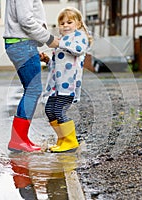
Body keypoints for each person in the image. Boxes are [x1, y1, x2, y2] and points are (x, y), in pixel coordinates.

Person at [3, 0, 60, 152]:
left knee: (31, 90)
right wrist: (49, 39)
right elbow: (25, 20)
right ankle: (18, 139)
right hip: (23, 44)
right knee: (33, 90)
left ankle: (20, 138)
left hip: (23, 44)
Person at [41, 7, 92, 153]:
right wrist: (48, 60)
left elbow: (78, 49)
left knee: (59, 110)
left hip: (68, 84)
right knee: (50, 110)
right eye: (62, 23)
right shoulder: (62, 40)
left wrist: (58, 44)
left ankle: (71, 141)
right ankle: (62, 139)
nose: (65, 25)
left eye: (69, 22)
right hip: (55, 85)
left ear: (78, 24)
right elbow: (57, 65)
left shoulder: (79, 36)